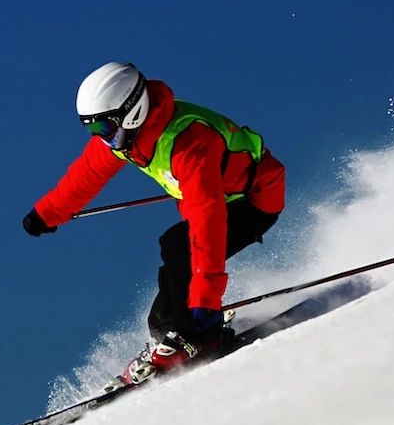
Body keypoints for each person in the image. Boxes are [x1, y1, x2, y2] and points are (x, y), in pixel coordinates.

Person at [23, 61, 286, 381]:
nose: (101, 138)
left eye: (103, 128)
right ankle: (170, 337)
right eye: (92, 130)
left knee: (177, 245)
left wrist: (205, 300)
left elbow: (207, 224)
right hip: (216, 199)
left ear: (131, 111)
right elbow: (85, 177)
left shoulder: (189, 142)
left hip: (255, 199)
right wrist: (46, 214)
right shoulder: (126, 139)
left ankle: (201, 336)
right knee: (163, 315)